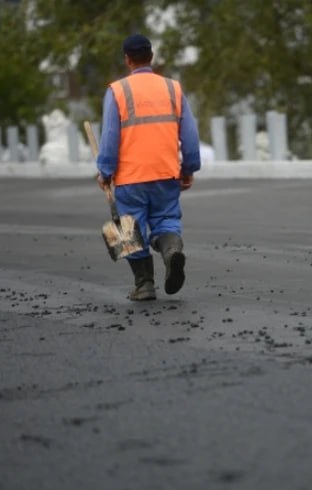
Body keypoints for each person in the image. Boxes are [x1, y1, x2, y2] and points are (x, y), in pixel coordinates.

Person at [96, 33, 201, 301]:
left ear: (127, 59)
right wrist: (188, 168)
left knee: (129, 231)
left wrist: (105, 171)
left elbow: (110, 137)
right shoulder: (172, 88)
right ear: (151, 58)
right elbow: (189, 134)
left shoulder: (117, 91)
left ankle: (144, 285)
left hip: (131, 178)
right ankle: (170, 251)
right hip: (166, 173)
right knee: (166, 219)